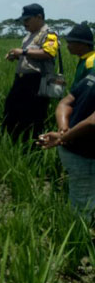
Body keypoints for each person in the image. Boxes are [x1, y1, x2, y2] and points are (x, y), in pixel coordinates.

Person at [38, 73, 95, 223]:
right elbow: (92, 122)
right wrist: (63, 137)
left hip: (71, 148)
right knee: (84, 205)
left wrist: (63, 130)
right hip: (86, 152)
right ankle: (79, 240)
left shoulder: (92, 75)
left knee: (81, 197)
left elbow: (65, 103)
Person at [3, 3, 61, 143]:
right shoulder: (29, 36)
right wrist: (16, 56)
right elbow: (31, 56)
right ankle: (12, 144)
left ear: (39, 17)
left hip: (37, 81)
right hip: (22, 80)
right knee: (12, 112)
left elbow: (49, 52)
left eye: (27, 20)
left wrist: (22, 52)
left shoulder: (49, 34)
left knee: (33, 117)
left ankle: (32, 147)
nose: (24, 23)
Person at [64, 23, 95, 89]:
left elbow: (89, 90)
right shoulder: (85, 59)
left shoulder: (90, 63)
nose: (67, 46)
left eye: (70, 43)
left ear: (81, 45)